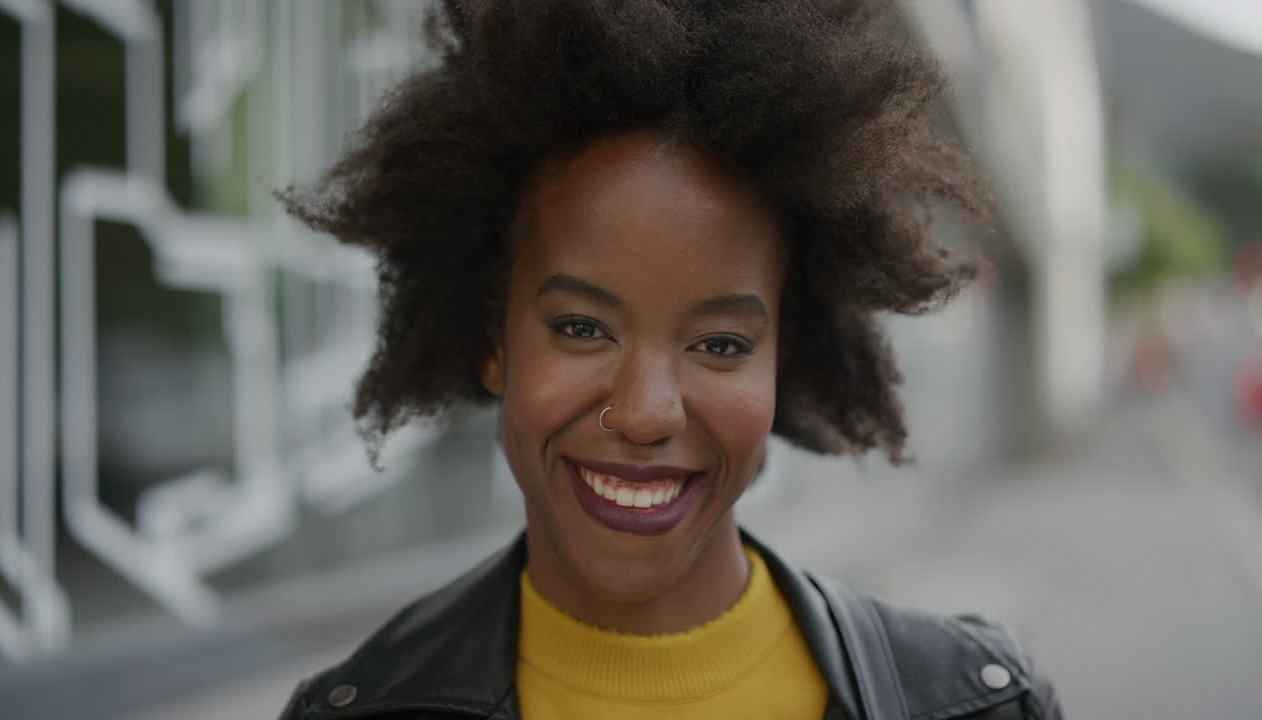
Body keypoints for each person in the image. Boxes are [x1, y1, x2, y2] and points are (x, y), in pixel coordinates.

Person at [276, 1, 1063, 718]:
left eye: (721, 345)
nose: (649, 412)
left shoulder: (977, 706)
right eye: (583, 329)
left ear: (783, 361)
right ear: (493, 341)